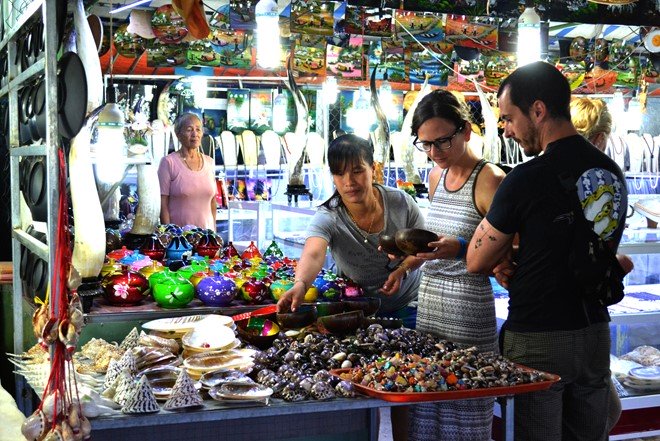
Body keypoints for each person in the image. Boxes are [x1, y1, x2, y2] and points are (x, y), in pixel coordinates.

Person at [467, 61, 628, 441]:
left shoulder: (526, 177)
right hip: (594, 333)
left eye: (509, 118)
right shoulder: (611, 174)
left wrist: (505, 255)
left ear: (538, 110)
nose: (506, 128)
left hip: (539, 337)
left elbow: (476, 259)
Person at [397, 90, 505, 441]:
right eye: (425, 144)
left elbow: (507, 252)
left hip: (468, 306)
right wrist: (405, 265)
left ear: (467, 131)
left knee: (465, 406)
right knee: (428, 401)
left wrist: (460, 250)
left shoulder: (490, 180)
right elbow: (436, 244)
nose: (434, 153)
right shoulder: (434, 178)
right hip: (431, 301)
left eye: (442, 142)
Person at [276, 134, 424, 328]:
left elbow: (423, 248)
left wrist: (402, 270)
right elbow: (312, 254)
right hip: (356, 312)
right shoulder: (329, 215)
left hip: (408, 306)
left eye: (357, 171)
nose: (349, 181)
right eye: (339, 173)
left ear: (373, 169)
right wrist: (301, 285)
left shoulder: (401, 203)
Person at [157, 113, 217, 230]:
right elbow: (162, 204)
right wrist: (170, 235)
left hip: (206, 240)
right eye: (189, 130)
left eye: (198, 129)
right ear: (178, 134)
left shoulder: (209, 162)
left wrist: (213, 233)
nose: (195, 134)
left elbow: (213, 202)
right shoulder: (168, 163)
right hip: (180, 240)